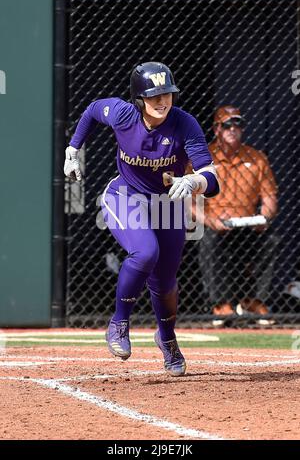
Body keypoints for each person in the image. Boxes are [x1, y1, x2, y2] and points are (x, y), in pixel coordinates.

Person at [64, 61, 219, 376]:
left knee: (165, 282)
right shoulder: (123, 115)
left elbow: (212, 178)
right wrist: (72, 150)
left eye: (167, 94)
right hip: (125, 196)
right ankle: (119, 322)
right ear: (139, 99)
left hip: (168, 204)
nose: (162, 101)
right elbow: (93, 110)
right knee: (145, 252)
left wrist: (194, 181)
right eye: (153, 96)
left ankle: (167, 338)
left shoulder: (184, 124)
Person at [190, 105, 278, 327]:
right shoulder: (204, 158)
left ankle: (253, 302)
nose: (233, 129)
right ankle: (221, 304)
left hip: (248, 225)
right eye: (227, 124)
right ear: (216, 129)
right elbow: (187, 201)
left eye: (238, 124)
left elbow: (269, 198)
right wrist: (211, 220)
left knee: (271, 240)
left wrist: (265, 217)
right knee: (209, 241)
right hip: (217, 225)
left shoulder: (257, 158)